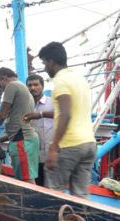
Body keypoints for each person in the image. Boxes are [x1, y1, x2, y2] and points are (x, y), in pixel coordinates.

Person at [38, 41, 96, 198]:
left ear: (51, 62)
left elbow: (65, 114)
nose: (45, 67)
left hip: (69, 144)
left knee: (55, 193)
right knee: (82, 196)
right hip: (89, 144)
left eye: (44, 63)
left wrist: (54, 148)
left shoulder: (61, 81)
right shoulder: (79, 79)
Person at [0, 67, 39, 184]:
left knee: (26, 181)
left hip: (22, 141)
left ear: (3, 78)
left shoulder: (12, 86)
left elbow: (1, 114)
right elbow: (17, 126)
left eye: (0, 85)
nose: (2, 90)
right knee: (26, 177)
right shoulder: (22, 88)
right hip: (26, 139)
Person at [22, 74, 55, 186]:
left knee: (52, 188)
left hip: (50, 155)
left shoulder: (52, 103)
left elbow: (63, 115)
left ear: (43, 86)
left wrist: (40, 114)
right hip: (33, 156)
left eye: (36, 84)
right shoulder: (25, 106)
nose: (32, 88)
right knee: (37, 186)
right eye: (29, 85)